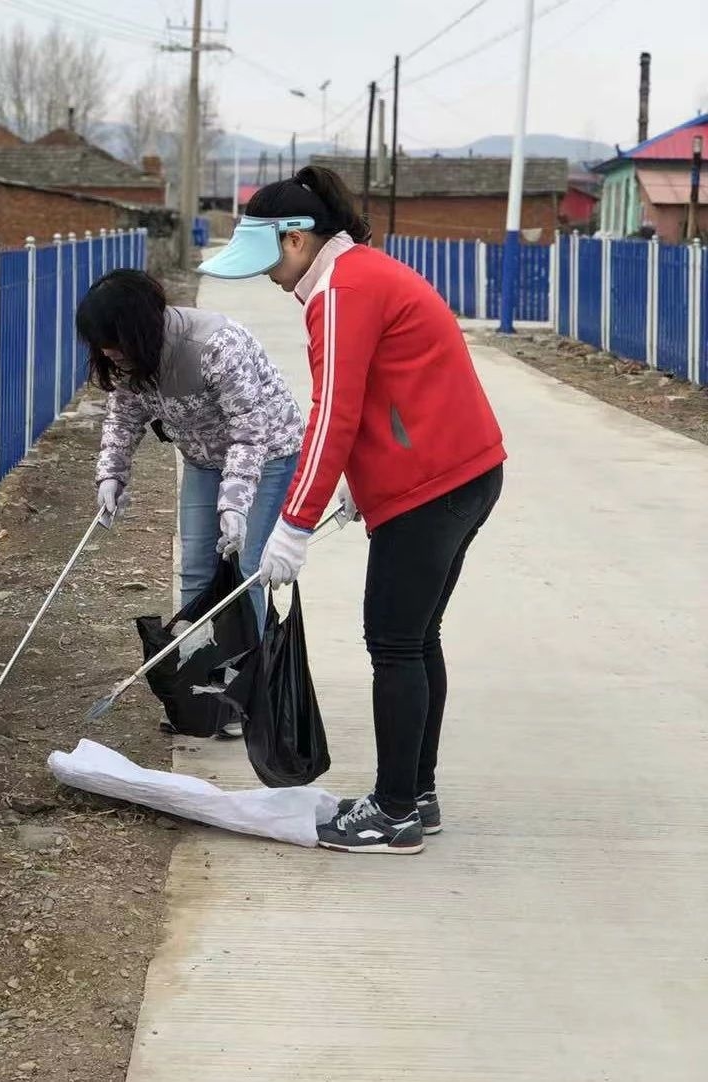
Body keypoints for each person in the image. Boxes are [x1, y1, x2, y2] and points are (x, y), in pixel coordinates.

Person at [199, 166, 506, 853]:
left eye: (270, 263)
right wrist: (348, 485)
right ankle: (415, 794)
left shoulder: (338, 292)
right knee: (416, 640)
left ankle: (393, 811)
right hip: (464, 474)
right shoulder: (362, 274)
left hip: (431, 487)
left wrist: (294, 522)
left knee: (394, 644)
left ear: (299, 240)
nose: (272, 280)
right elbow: (373, 400)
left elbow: (334, 411)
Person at [78, 267, 303, 651]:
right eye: (101, 344)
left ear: (140, 329)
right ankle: (195, 676)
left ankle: (245, 679)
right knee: (196, 569)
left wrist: (234, 504)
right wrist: (111, 475)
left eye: (113, 342)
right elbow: (124, 416)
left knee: (245, 570)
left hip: (267, 455)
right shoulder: (129, 362)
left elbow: (249, 430)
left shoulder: (214, 345)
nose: (106, 352)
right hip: (203, 461)